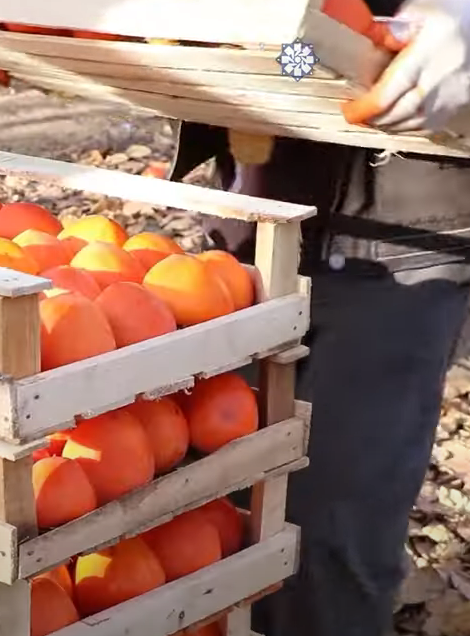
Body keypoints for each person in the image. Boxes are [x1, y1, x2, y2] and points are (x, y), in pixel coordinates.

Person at [167, 1, 470, 635]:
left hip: (396, 248)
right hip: (252, 227)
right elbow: (290, 51)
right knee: (202, 513)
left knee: (327, 545)